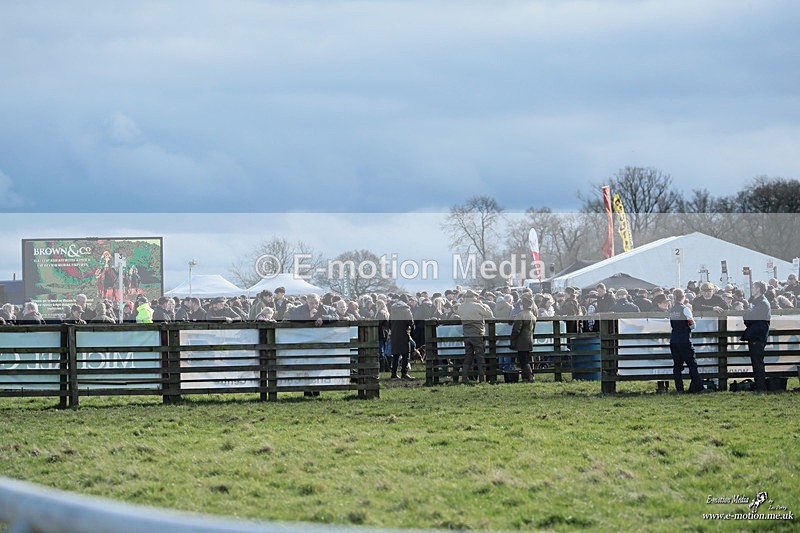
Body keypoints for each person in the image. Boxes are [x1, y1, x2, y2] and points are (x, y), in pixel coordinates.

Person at [665, 289, 703, 393]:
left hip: (674, 339)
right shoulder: (685, 309)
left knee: (677, 366)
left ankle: (679, 389)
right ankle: (699, 388)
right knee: (692, 364)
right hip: (684, 339)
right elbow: (692, 325)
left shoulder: (671, 310)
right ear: (683, 297)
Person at [459, 290, 494, 384]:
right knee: (480, 356)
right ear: (473, 296)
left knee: (468, 356)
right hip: (477, 334)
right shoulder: (477, 306)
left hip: (466, 334)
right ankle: (482, 379)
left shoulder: (461, 306)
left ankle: (464, 378)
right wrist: (482, 304)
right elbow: (489, 314)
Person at [741, 280, 771, 392]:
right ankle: (760, 386)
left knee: (757, 362)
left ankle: (761, 387)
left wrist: (745, 315)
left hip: (757, 336)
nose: (752, 290)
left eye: (754, 288)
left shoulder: (762, 303)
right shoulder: (759, 302)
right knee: (757, 362)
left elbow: (749, 318)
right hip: (757, 335)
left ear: (758, 289)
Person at [509, 294, 536, 382]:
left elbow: (516, 329)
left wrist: (512, 338)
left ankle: (529, 377)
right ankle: (526, 377)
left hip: (521, 340)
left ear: (523, 305)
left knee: (523, 360)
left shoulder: (521, 315)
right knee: (525, 359)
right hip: (529, 339)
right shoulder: (532, 315)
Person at [389, 295, 415, 380]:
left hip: (394, 334)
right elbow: (410, 322)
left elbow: (389, 322)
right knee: (405, 354)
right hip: (404, 333)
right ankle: (404, 373)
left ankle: (393, 374)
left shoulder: (393, 309)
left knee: (395, 355)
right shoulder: (406, 309)